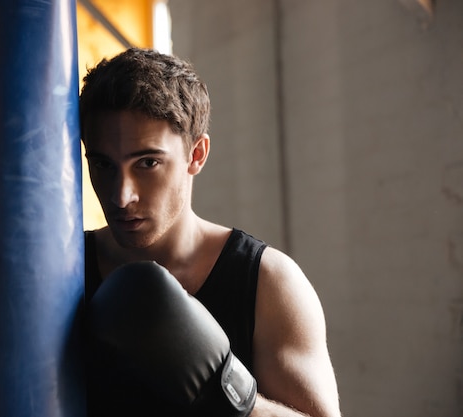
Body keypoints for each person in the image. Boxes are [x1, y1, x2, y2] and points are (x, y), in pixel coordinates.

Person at [80, 47, 341, 417]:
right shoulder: (61, 274)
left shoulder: (267, 282)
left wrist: (228, 391)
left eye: (148, 162)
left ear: (196, 154)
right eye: (103, 164)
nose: (121, 195)